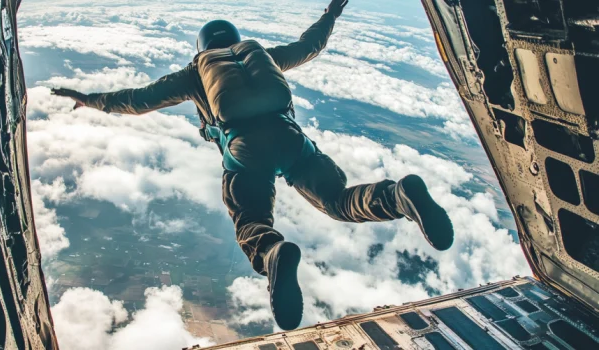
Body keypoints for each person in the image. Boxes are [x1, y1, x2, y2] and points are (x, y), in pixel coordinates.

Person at [52, 0, 454, 331]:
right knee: (338, 200)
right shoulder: (266, 56)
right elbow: (310, 45)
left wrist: (89, 98)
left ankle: (273, 252)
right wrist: (331, 13)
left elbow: (138, 99)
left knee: (251, 220)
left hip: (245, 150)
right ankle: (398, 196)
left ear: (202, 46)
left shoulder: (196, 71)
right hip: (290, 139)